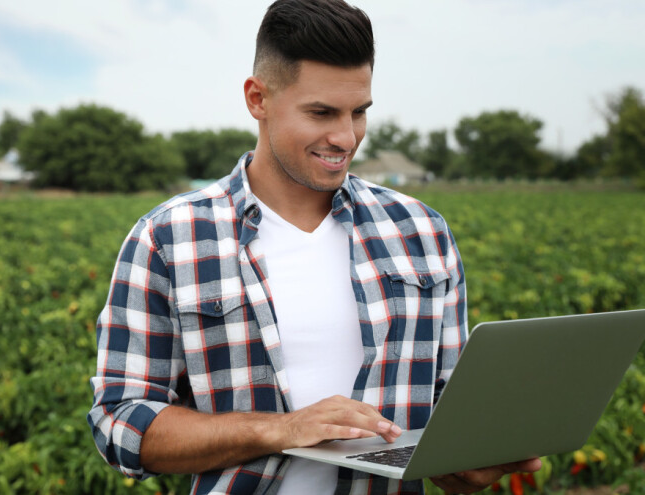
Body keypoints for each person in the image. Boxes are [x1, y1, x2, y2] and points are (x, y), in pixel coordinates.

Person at [88, 0, 540, 493]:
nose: (346, 137)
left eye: (359, 112)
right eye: (322, 112)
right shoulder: (168, 238)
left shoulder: (421, 232)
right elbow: (121, 422)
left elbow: (450, 416)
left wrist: (477, 455)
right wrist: (281, 430)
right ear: (257, 99)